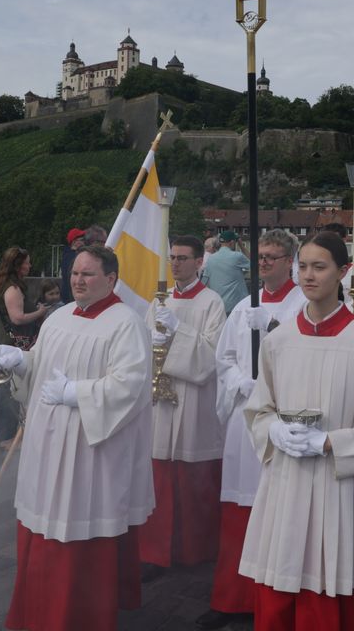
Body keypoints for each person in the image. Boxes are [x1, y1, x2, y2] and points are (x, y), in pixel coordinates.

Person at [238, 231, 354, 631]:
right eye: (303, 266)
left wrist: (328, 441)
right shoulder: (279, 339)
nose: (308, 276)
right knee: (281, 580)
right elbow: (260, 406)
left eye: (320, 267)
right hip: (287, 482)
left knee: (328, 589)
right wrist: (273, 429)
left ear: (344, 271)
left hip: (337, 487)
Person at [0, 245, 153, 631]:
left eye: (88, 274)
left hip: (87, 448)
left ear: (110, 279)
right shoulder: (60, 316)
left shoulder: (126, 323)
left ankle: (78, 614)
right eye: (75, 273)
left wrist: (76, 394)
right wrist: (19, 361)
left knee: (79, 523)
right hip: (47, 441)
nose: (78, 280)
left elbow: (132, 385)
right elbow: (41, 365)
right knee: (43, 519)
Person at [201, 229, 306, 630]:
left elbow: (311, 356)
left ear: (289, 260)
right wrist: (238, 383)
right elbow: (223, 357)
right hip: (245, 420)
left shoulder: (304, 306)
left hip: (283, 421)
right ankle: (232, 598)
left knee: (281, 512)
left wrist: (277, 326)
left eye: (273, 257)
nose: (264, 263)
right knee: (239, 510)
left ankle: (277, 601)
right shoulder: (245, 305)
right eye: (260, 256)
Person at [140, 235, 227, 578]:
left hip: (192, 400)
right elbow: (141, 348)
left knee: (192, 481)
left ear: (199, 262)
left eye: (183, 258)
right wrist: (153, 343)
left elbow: (213, 356)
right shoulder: (158, 300)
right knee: (158, 478)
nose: (175, 263)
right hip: (160, 400)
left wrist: (179, 334)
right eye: (172, 257)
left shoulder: (212, 302)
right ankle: (154, 552)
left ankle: (194, 548)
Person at [0, 248, 51, 450]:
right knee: (9, 389)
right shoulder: (13, 288)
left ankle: (8, 433)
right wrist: (41, 312)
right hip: (12, 343)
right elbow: (17, 318)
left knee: (9, 388)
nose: (30, 265)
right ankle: (6, 437)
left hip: (9, 341)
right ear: (18, 265)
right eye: (26, 262)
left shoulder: (8, 285)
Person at [203, 231, 251, 315]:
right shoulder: (237, 256)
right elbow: (254, 264)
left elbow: (204, 281)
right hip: (236, 305)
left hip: (218, 306)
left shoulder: (211, 259)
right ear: (232, 242)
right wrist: (241, 246)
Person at [58, 227, 86, 304]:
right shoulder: (71, 257)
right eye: (82, 240)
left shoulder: (69, 254)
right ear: (74, 242)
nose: (84, 243)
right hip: (70, 299)